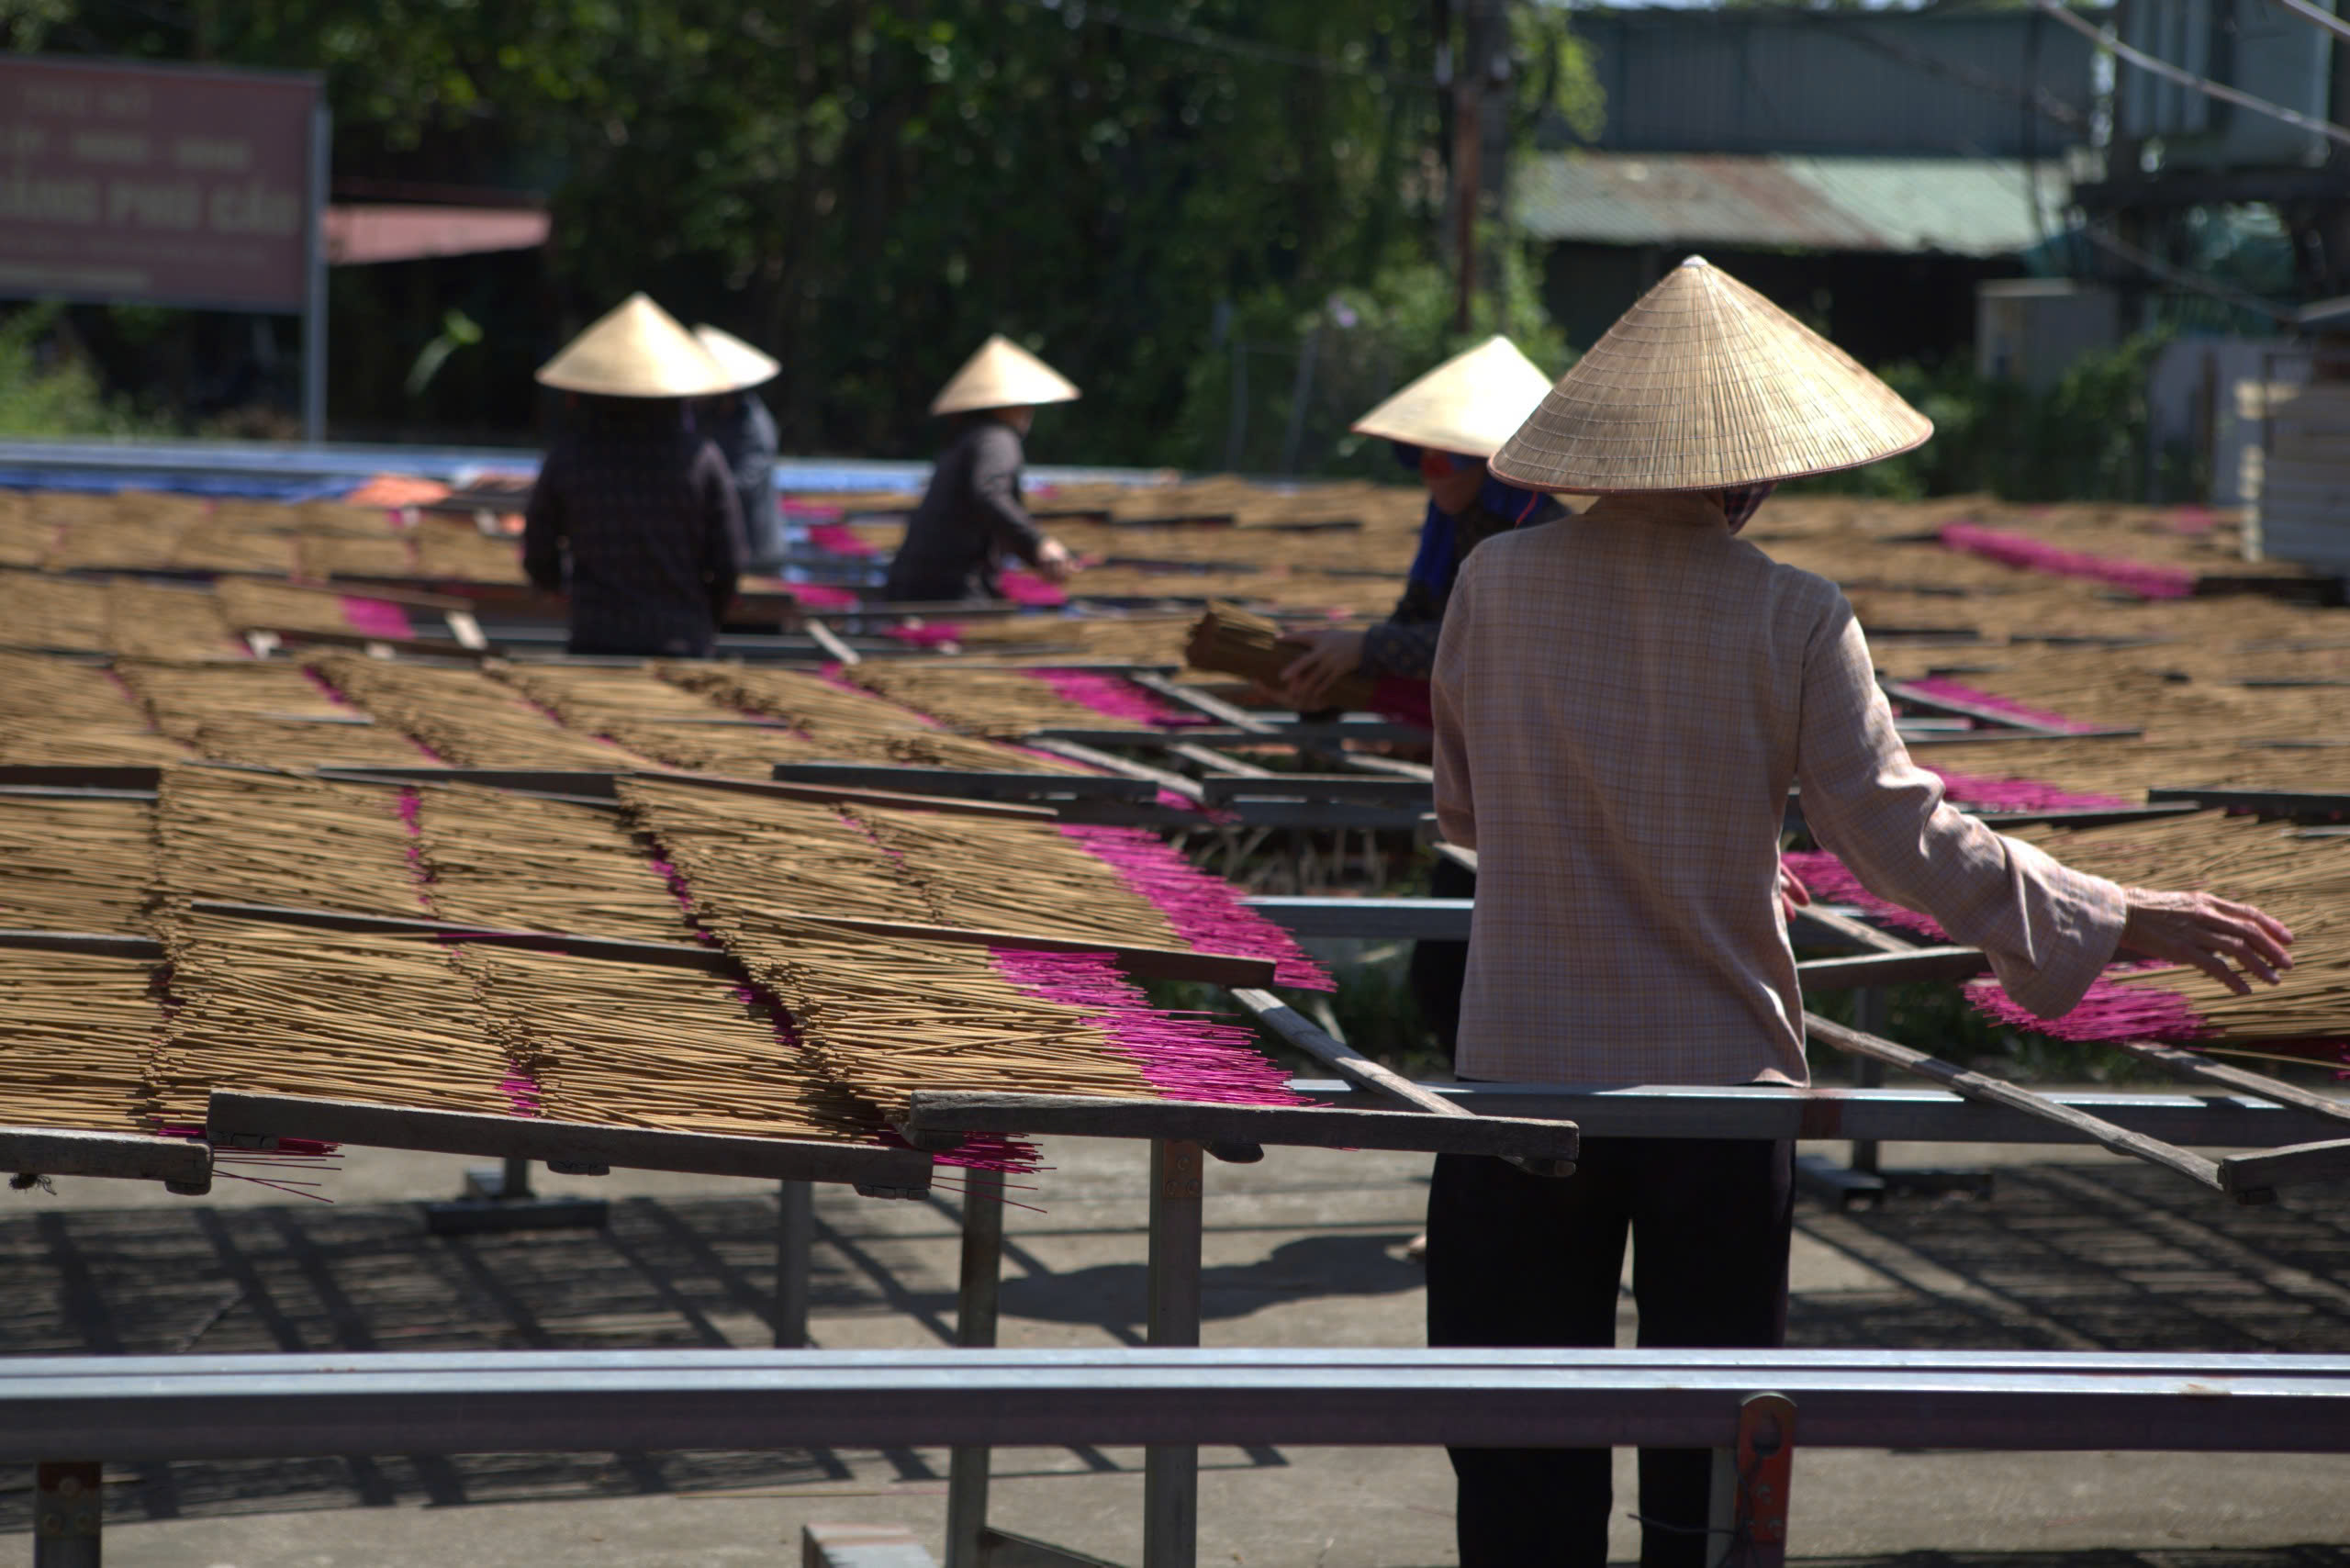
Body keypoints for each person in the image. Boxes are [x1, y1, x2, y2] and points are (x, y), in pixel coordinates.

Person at [1427, 255, 2294, 1567]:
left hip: (1521, 1091)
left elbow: (1472, 818)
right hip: (1719, 1101)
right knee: (1713, 1481)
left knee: (1520, 1476)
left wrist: (1657, 848)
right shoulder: (1792, 612)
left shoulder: (1493, 584)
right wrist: (2114, 912)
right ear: (1753, 469)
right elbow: (1898, 833)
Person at [1279, 335, 1561, 1063]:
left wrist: (1366, 648)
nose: (1429, 475)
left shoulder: (1535, 533)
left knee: (1465, 969)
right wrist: (1329, 662)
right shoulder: (1455, 526)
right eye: (1423, 460)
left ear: (1484, 464)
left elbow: (1477, 639)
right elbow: (1418, 625)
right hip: (1486, 774)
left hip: (1545, 777)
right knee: (1446, 968)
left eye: (1444, 460)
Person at [524, 294, 747, 658]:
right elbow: (729, 561)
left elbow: (539, 551)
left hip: (598, 637)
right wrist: (708, 619)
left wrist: (555, 587)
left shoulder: (570, 457)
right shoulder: (702, 460)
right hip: (682, 640)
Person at [884, 334, 1081, 602]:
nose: (1028, 412)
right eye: (1024, 404)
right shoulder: (996, 439)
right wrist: (1040, 544)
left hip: (916, 585)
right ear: (1004, 406)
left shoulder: (965, 440)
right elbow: (990, 493)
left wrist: (1032, 553)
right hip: (951, 589)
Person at [693, 324, 786, 575]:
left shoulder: (754, 424)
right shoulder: (708, 417)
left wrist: (696, 494)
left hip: (755, 550)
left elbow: (745, 482)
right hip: (722, 547)